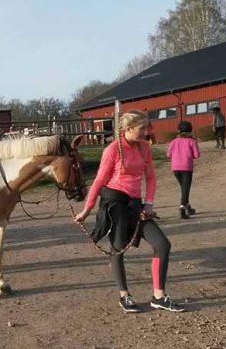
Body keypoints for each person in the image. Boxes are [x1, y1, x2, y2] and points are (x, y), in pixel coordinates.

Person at [73, 110, 185, 314]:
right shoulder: (113, 150)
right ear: (128, 129)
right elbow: (99, 180)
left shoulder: (144, 147)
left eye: (146, 127)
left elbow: (150, 177)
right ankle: (124, 295)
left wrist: (149, 204)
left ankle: (159, 297)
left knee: (162, 244)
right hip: (114, 202)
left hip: (135, 203)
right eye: (142, 128)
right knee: (117, 248)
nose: (146, 131)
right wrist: (87, 209)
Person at [167, 121, 201, 219]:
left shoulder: (173, 141)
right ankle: (182, 207)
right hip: (186, 167)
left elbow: (168, 155)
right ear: (190, 131)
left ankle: (188, 207)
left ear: (178, 131)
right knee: (186, 189)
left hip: (175, 168)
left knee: (184, 188)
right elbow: (197, 155)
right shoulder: (192, 141)